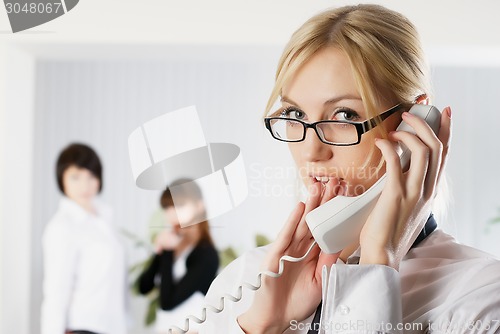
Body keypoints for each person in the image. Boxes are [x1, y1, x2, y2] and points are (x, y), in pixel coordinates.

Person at [199, 4, 500, 334]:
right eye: (296, 115)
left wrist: (377, 263)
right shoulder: (246, 281)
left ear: (416, 122)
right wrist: (261, 326)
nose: (312, 150)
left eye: (345, 116)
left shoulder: (480, 296)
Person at [40, 143, 127, 334]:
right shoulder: (62, 227)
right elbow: (56, 292)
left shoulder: (104, 218)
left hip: (112, 327)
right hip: (83, 327)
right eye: (75, 177)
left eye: (91, 176)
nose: (85, 185)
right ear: (61, 179)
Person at [138, 179, 219, 334]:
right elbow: (144, 287)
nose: (171, 212)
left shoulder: (206, 255)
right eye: (167, 206)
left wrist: (167, 251)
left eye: (179, 205)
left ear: (199, 206)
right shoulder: (172, 244)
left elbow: (168, 302)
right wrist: (160, 252)